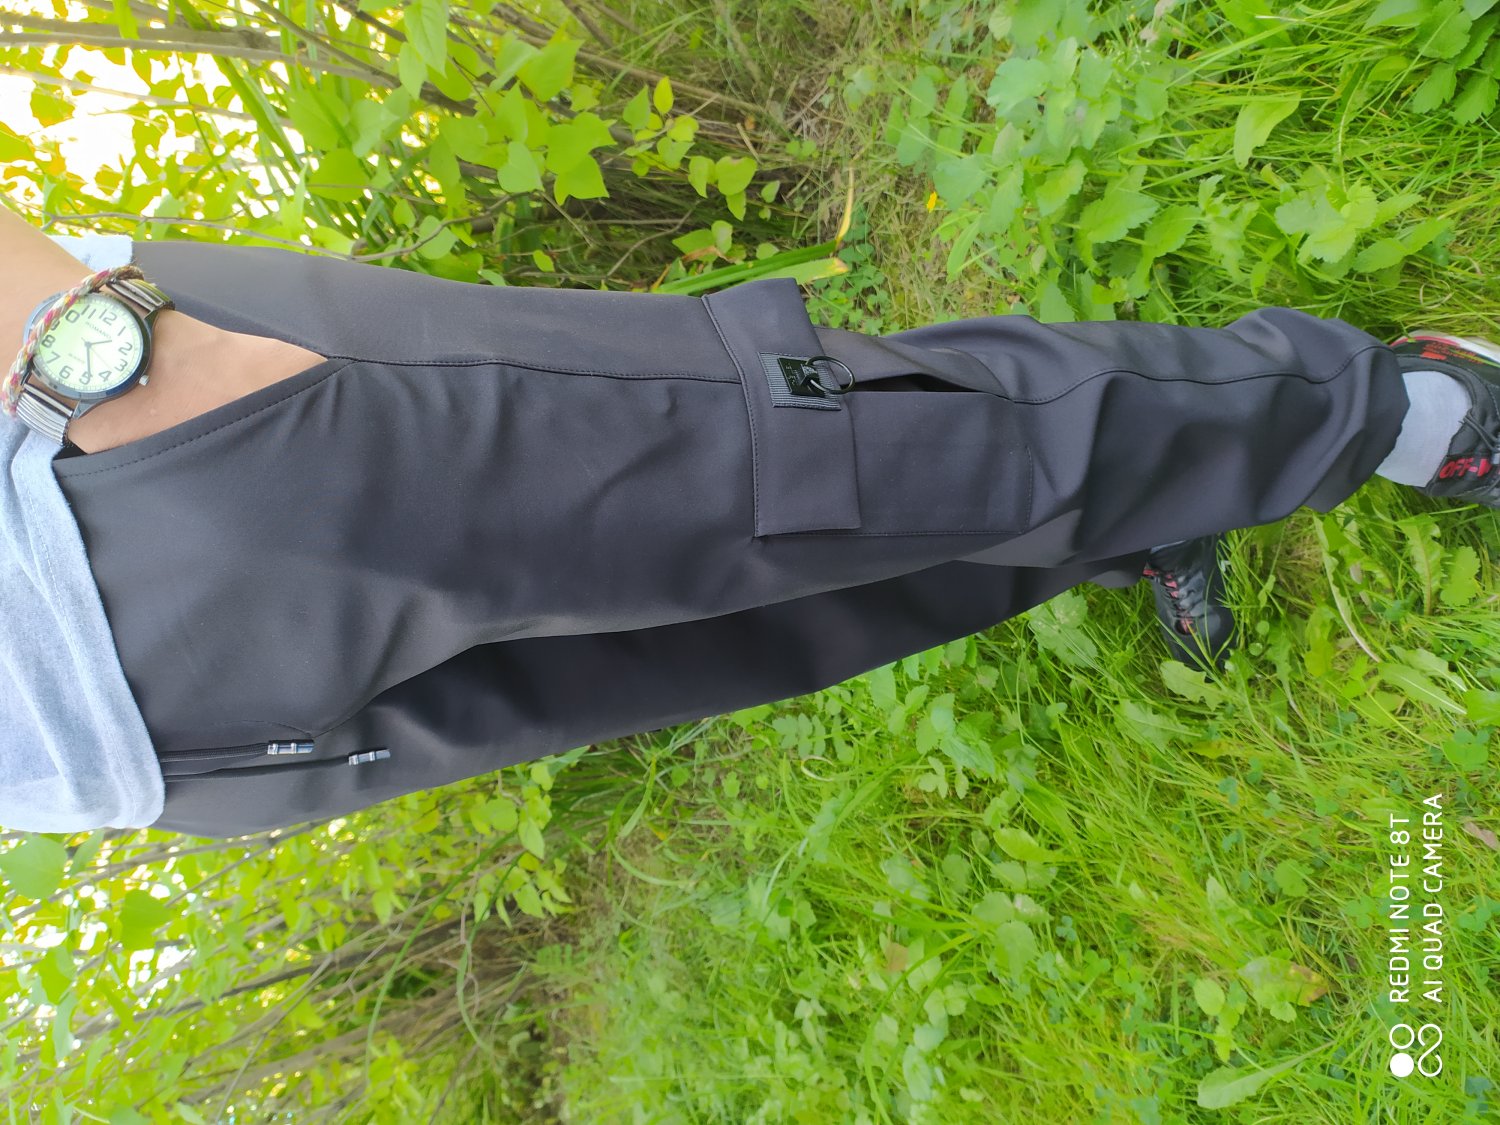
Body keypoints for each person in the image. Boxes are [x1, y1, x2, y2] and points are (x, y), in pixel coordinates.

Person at [2, 205, 1492, 839]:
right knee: (792, 607)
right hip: (139, 756)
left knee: (840, 461)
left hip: (136, 468)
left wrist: (94, 359)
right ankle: (1144, 513)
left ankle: (1388, 408)